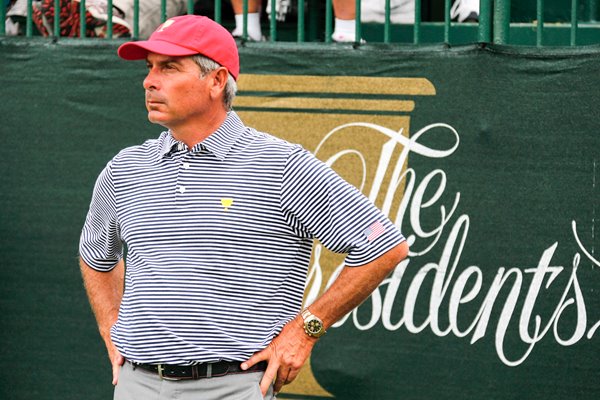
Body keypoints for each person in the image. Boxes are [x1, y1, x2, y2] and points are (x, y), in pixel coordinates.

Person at [79, 14, 409, 399]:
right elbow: (95, 255)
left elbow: (384, 246)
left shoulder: (282, 165)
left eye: (169, 68)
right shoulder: (126, 168)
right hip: (137, 384)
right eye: (150, 68)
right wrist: (111, 327)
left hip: (234, 387)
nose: (149, 81)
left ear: (217, 81)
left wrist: (306, 330)